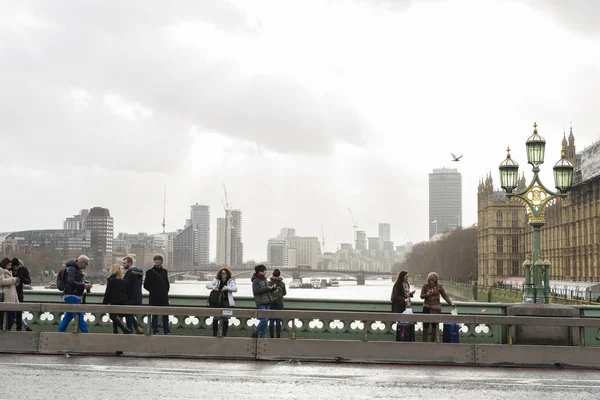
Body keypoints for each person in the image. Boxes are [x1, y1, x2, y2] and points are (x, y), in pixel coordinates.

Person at [57, 255, 92, 333]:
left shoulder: (76, 269)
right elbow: (71, 282)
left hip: (71, 295)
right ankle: (88, 336)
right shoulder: (72, 269)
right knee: (79, 316)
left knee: (68, 316)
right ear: (82, 262)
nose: (87, 265)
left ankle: (60, 333)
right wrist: (84, 285)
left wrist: (86, 283)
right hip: (72, 295)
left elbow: (74, 281)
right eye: (86, 263)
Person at [420, 272, 455, 343]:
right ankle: (424, 342)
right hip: (427, 306)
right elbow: (421, 296)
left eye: (433, 280)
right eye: (430, 280)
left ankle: (432, 342)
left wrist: (451, 303)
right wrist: (427, 294)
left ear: (436, 280)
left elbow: (445, 296)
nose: (431, 281)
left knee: (434, 325)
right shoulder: (425, 286)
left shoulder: (439, 286)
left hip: (436, 308)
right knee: (425, 325)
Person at [205, 267, 237, 337]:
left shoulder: (231, 281)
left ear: (227, 274)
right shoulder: (216, 281)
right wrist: (214, 288)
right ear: (220, 274)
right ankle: (214, 334)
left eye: (225, 273)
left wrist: (227, 288)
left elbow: (235, 289)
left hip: (226, 302)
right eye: (222, 273)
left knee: (225, 318)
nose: (223, 274)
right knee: (216, 317)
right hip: (217, 302)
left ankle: (224, 334)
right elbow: (207, 285)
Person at [143, 255, 170, 335]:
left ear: (161, 261)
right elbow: (145, 285)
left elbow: (167, 283)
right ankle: (155, 331)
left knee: (165, 315)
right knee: (154, 315)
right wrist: (154, 291)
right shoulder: (149, 272)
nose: (157, 261)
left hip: (164, 297)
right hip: (154, 297)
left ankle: (167, 331)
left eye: (159, 260)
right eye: (155, 260)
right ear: (154, 261)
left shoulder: (165, 271)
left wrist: (165, 291)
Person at [103, 264, 132, 334]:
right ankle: (115, 331)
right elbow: (127, 292)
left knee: (112, 316)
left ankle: (124, 328)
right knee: (115, 316)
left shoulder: (111, 280)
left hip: (114, 301)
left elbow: (108, 293)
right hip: (123, 301)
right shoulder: (124, 281)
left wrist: (104, 303)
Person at [251, 264, 276, 338]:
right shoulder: (256, 281)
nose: (266, 271)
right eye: (264, 270)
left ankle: (263, 337)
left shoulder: (265, 279)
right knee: (264, 319)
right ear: (260, 271)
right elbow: (256, 291)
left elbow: (267, 291)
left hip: (267, 302)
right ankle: (255, 332)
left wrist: (272, 289)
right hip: (261, 302)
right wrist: (267, 288)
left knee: (266, 321)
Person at [123, 256, 144, 334]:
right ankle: (136, 328)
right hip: (137, 296)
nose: (123, 265)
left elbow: (126, 286)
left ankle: (130, 330)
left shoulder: (130, 273)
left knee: (128, 314)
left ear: (129, 263)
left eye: (124, 263)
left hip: (129, 297)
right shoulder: (139, 273)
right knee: (129, 313)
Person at [11, 258, 31, 331]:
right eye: (14, 267)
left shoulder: (23, 270)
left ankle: (19, 328)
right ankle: (8, 327)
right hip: (10, 294)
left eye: (17, 266)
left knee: (19, 312)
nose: (15, 268)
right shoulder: (8, 270)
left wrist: (22, 279)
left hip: (19, 294)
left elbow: (28, 281)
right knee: (9, 312)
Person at [0, 258, 20, 330]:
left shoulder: (10, 272)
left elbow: (11, 284)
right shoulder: (1, 270)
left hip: (12, 297)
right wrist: (13, 279)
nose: (10, 266)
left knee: (11, 319)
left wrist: (16, 281)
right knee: (6, 319)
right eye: (8, 265)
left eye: (10, 265)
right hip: (6, 298)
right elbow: (1, 282)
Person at [268, 269, 287, 338]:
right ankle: (278, 335)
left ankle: (271, 336)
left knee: (271, 321)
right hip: (280, 303)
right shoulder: (282, 283)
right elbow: (284, 293)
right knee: (278, 320)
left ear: (272, 274)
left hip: (271, 303)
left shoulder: (269, 283)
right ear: (280, 274)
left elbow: (267, 292)